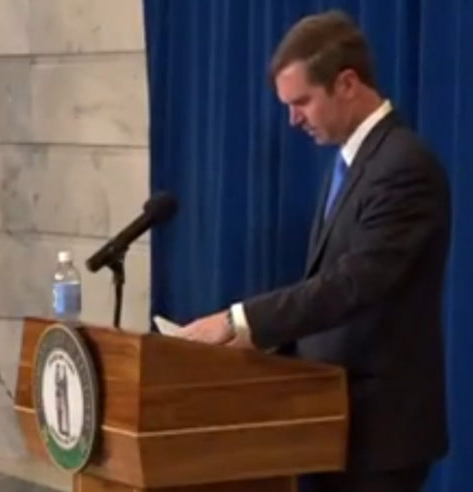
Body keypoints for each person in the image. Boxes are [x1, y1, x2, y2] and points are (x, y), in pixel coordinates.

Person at [176, 11, 450, 492]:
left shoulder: (404, 166)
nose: (293, 118)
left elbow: (353, 283)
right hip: (330, 419)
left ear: (347, 83)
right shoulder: (348, 163)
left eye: (301, 101)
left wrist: (238, 323)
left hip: (380, 432)